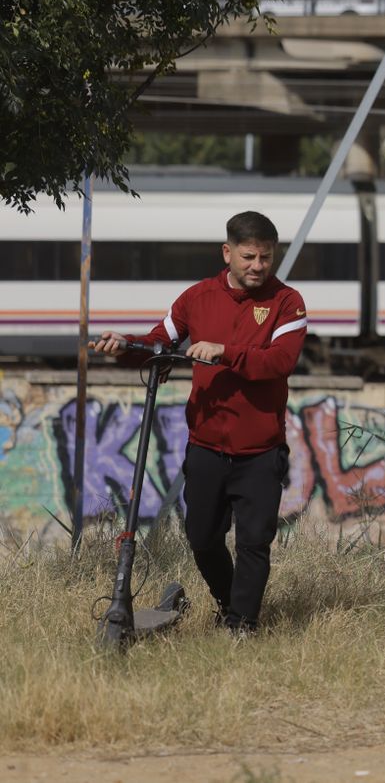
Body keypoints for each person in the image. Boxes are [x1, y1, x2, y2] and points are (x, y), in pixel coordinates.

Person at [91, 211, 308, 634]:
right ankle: (229, 603)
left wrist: (224, 351)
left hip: (261, 449)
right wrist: (126, 346)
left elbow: (280, 362)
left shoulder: (288, 302)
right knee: (203, 538)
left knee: (253, 542)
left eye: (266, 257)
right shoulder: (196, 298)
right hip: (206, 445)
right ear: (227, 253)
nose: (258, 266)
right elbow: (159, 343)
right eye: (249, 257)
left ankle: (241, 626)